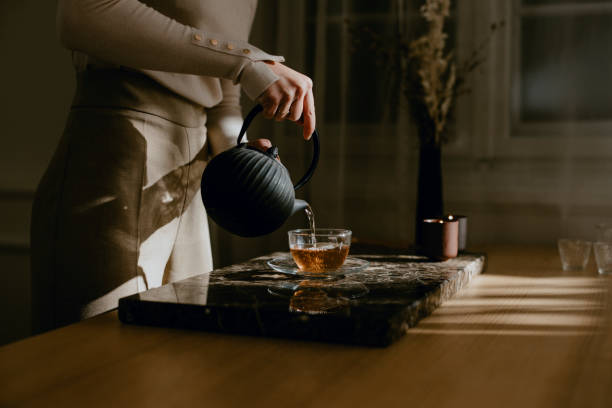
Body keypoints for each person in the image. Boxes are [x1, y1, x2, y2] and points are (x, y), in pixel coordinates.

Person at [30, 0, 316, 333]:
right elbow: (81, 15)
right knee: (97, 354)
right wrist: (247, 61)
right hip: (113, 157)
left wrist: (241, 154)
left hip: (188, 181)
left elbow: (222, 95)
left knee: (182, 361)